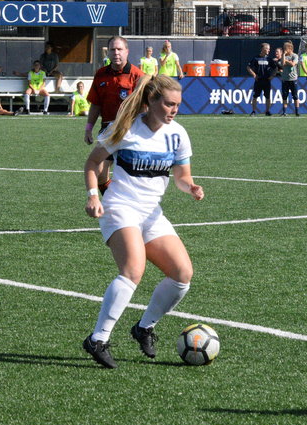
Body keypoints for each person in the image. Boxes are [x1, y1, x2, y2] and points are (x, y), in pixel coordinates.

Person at [82, 74, 204, 369]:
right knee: (133, 270)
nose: (174, 110)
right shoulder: (124, 128)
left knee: (182, 274)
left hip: (151, 213)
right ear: (151, 100)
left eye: (178, 105)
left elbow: (182, 177)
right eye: (169, 104)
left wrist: (191, 187)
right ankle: (98, 339)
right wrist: (93, 196)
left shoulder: (177, 134)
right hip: (120, 207)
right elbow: (92, 162)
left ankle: (144, 327)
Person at [84, 36, 144, 194]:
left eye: (119, 49)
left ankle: (129, 203)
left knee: (131, 176)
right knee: (100, 175)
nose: (116, 53)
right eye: (112, 49)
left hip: (131, 129)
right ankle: (113, 202)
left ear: (127, 51)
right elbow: (95, 104)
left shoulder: (138, 75)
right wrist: (88, 128)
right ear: (108, 53)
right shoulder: (101, 74)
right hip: (108, 129)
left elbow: (146, 107)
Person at [247, 43, 276, 116]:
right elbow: (248, 67)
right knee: (255, 96)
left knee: (268, 97)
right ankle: (253, 111)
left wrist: (272, 76)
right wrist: (254, 74)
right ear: (263, 49)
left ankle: (267, 111)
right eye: (267, 49)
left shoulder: (269, 59)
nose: (269, 50)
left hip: (267, 81)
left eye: (269, 49)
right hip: (258, 80)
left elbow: (275, 68)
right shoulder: (256, 58)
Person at [280, 41, 300, 116]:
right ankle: (284, 112)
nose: (284, 49)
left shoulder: (295, 56)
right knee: (284, 96)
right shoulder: (284, 56)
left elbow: (293, 64)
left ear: (290, 48)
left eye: (285, 48)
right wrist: (283, 56)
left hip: (293, 79)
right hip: (285, 79)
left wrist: (286, 61)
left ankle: (297, 112)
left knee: (295, 96)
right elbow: (282, 64)